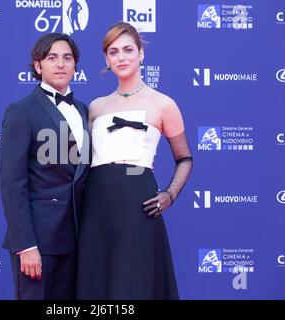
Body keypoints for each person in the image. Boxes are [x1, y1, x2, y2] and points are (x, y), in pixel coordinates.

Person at [76, 22, 193, 300]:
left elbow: (185, 158)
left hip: (138, 202)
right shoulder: (95, 106)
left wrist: (169, 194)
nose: (122, 57)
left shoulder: (164, 104)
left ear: (141, 54)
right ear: (106, 59)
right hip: (96, 204)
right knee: (97, 284)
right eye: (114, 52)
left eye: (128, 50)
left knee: (134, 283)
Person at [0, 33, 89, 300]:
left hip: (76, 239)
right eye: (52, 58)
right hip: (38, 242)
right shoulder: (21, 111)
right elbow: (12, 183)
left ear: (75, 66)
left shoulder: (84, 110)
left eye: (67, 58)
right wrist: (25, 244)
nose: (60, 64)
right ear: (38, 66)